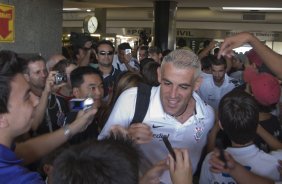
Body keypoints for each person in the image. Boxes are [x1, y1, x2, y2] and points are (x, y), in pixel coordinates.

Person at [99, 49, 214, 183]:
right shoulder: (131, 101)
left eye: (183, 86)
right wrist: (124, 139)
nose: (172, 95)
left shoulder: (206, 116)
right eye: (167, 83)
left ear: (197, 84)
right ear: (159, 74)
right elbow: (98, 155)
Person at [0, 50, 97, 183]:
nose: (35, 102)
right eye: (27, 97)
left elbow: (23, 151)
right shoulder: (22, 180)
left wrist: (74, 127)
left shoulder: (6, 151)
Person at [199, 90, 281, 183]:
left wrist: (212, 134)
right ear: (257, 122)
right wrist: (254, 124)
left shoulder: (212, 161)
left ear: (221, 125)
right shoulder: (276, 163)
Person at [22, 55, 69, 135]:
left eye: (44, 71)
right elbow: (34, 126)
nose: (43, 75)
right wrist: (46, 92)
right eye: (37, 72)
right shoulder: (23, 102)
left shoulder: (57, 99)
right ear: (27, 77)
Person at [64, 66, 104, 144]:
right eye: (92, 88)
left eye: (101, 86)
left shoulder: (88, 109)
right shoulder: (77, 120)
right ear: (76, 92)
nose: (99, 92)